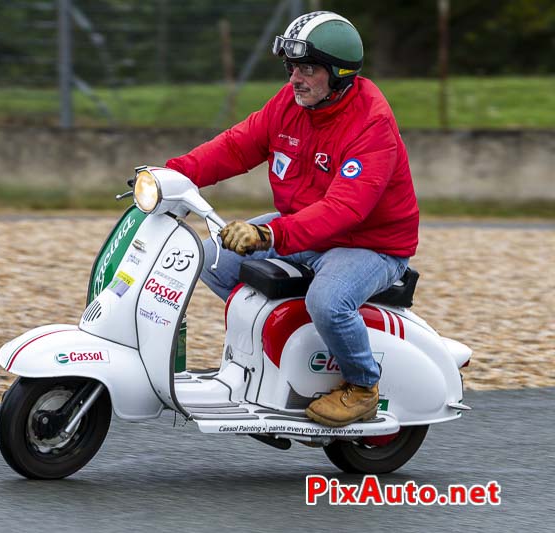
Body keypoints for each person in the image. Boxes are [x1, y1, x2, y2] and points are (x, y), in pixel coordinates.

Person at [165, 11, 419, 427]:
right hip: (302, 224)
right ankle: (280, 352)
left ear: (339, 75)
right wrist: (174, 173)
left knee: (328, 302)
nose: (295, 79)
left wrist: (268, 234)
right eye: (292, 68)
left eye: (307, 69)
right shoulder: (292, 103)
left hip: (370, 244)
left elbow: (344, 210)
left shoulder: (372, 124)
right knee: (210, 260)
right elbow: (236, 146)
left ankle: (362, 386)